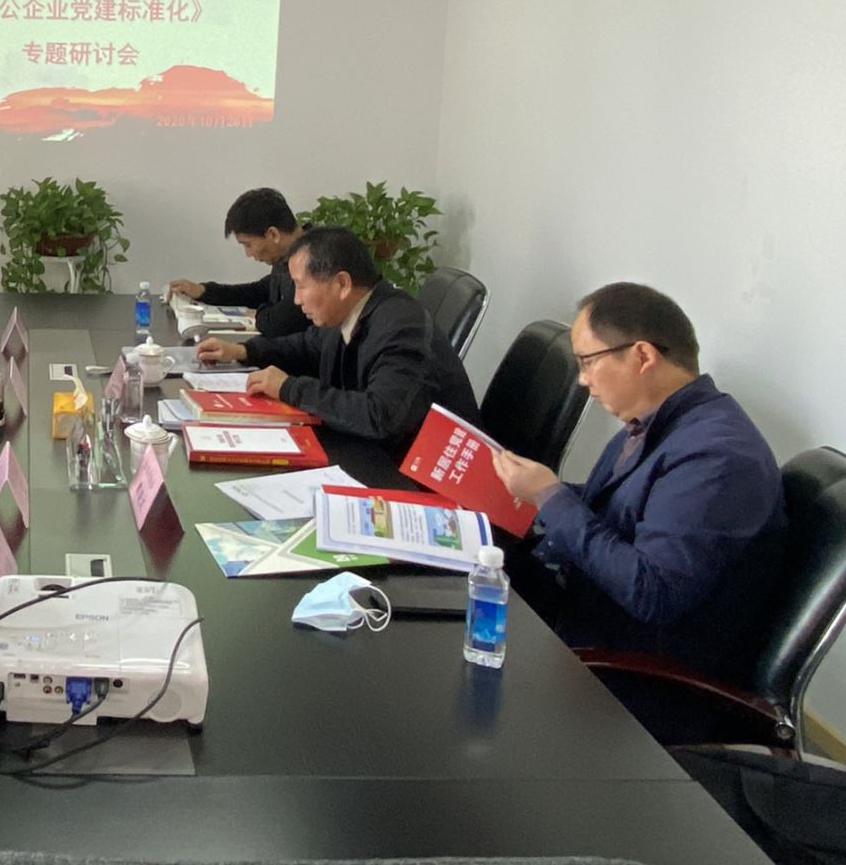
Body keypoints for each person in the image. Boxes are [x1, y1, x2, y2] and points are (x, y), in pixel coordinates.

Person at [491, 282, 786, 685]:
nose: (582, 380)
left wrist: (550, 496)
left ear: (643, 355)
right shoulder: (659, 422)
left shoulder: (719, 457)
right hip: (576, 606)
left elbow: (652, 591)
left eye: (587, 362)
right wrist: (528, 493)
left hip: (623, 670)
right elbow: (616, 511)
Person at [196, 225, 479, 457]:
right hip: (373, 454)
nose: (296, 299)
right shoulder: (351, 312)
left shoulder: (402, 327)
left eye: (301, 286)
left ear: (342, 284)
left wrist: (289, 388)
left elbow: (380, 416)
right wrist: (242, 350)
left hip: (424, 481)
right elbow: (306, 346)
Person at [167, 187, 311, 338]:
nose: (248, 254)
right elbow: (260, 291)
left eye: (248, 244)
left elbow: (277, 323)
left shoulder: (316, 260)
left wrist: (260, 314)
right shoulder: (286, 255)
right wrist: (204, 291)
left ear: (273, 234)